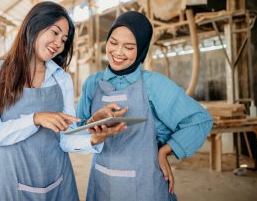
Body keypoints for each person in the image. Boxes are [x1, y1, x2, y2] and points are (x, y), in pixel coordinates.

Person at [0, 1, 125, 201]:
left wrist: (95, 137)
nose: (59, 44)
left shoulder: (61, 78)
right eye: (55, 33)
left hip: (59, 184)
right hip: (12, 185)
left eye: (64, 40)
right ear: (34, 25)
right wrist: (35, 119)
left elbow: (65, 138)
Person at [76, 11, 213, 201]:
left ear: (141, 49)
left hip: (144, 186)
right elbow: (77, 131)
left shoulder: (153, 84)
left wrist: (166, 150)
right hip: (101, 185)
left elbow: (200, 120)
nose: (118, 52)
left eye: (129, 47)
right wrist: (92, 124)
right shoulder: (92, 83)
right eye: (113, 43)